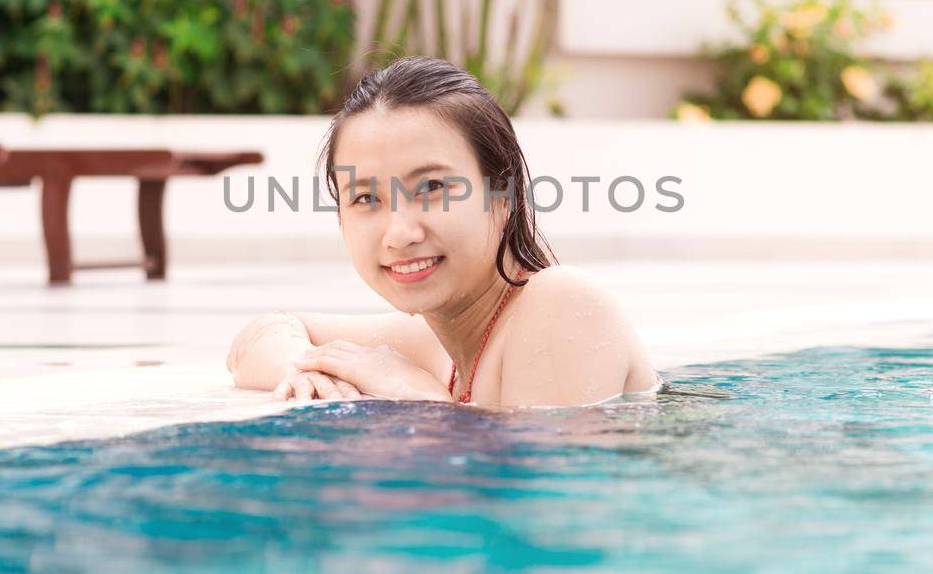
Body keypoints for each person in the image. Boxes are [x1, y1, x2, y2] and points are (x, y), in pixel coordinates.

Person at [225, 56, 661, 407]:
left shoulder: (562, 305)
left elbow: (542, 503)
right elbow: (260, 336)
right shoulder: (433, 344)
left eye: (432, 187)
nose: (399, 234)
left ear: (503, 195)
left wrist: (419, 397)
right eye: (365, 199)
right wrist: (302, 372)